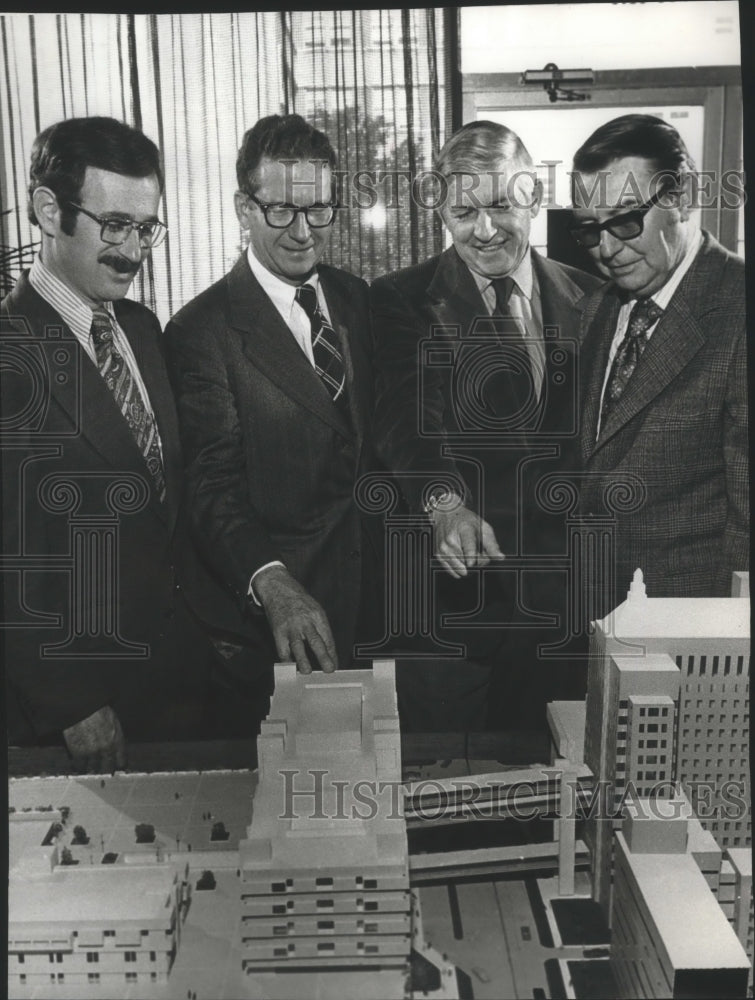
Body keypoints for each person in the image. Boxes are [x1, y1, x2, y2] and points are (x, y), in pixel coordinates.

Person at [371, 121, 602, 732]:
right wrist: (443, 503)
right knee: (448, 806)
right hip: (456, 620)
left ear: (531, 195)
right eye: (462, 211)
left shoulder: (595, 299)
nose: (484, 229)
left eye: (500, 204)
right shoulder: (400, 300)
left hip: (565, 620)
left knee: (556, 802)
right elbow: (405, 422)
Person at [1, 116, 214, 771]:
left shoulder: (144, 330)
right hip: (78, 712)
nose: (133, 249)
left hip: (178, 685)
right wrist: (68, 702)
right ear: (47, 211)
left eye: (145, 228)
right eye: (114, 225)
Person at [165, 114, 381, 727]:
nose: (302, 232)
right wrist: (271, 581)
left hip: (374, 621)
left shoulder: (357, 298)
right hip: (277, 637)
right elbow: (211, 487)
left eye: (318, 211)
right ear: (244, 208)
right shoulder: (200, 331)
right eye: (280, 210)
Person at [569, 114, 747, 613]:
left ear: (682, 196)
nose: (606, 249)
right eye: (589, 229)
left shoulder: (737, 310)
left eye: (626, 219)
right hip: (595, 621)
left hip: (694, 638)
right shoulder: (593, 310)